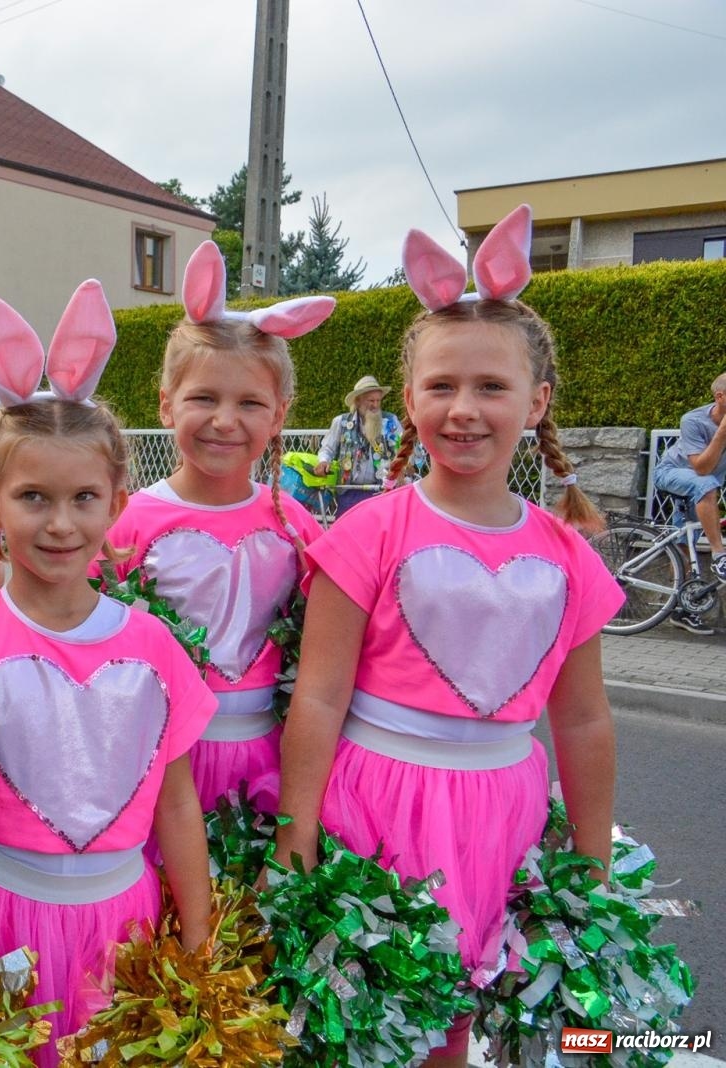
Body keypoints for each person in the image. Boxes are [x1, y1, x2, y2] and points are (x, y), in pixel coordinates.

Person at [275, 206, 620, 1068]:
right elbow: (318, 693)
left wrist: (591, 852)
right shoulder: (366, 533)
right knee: (363, 1015)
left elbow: (580, 720)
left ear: (537, 401)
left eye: (491, 388)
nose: (463, 410)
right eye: (441, 387)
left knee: (457, 1016)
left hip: (502, 812)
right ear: (409, 402)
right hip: (376, 805)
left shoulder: (567, 555)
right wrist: (297, 822)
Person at [0, 282, 216, 1067]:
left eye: (83, 498)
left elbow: (176, 801)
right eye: (33, 497)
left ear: (116, 505)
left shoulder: (156, 647)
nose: (60, 523)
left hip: (120, 925)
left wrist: (197, 945)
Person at [108, 241, 332, 814]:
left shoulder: (298, 525)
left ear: (280, 414)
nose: (224, 421)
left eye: (250, 403)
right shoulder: (127, 521)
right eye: (203, 397)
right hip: (155, 764)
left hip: (268, 760)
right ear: (165, 405)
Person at [651, 371, 726, 633]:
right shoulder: (693, 420)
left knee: (684, 545)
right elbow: (702, 469)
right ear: (720, 397)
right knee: (705, 483)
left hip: (701, 489)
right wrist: (722, 432)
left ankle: (683, 609)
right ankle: (719, 555)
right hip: (672, 474)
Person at [314, 374, 403, 512]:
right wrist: (324, 461)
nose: (375, 405)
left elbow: (403, 450)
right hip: (349, 493)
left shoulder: (391, 422)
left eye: (378, 401)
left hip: (382, 493)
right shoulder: (341, 422)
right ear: (358, 401)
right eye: (371, 400)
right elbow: (327, 449)